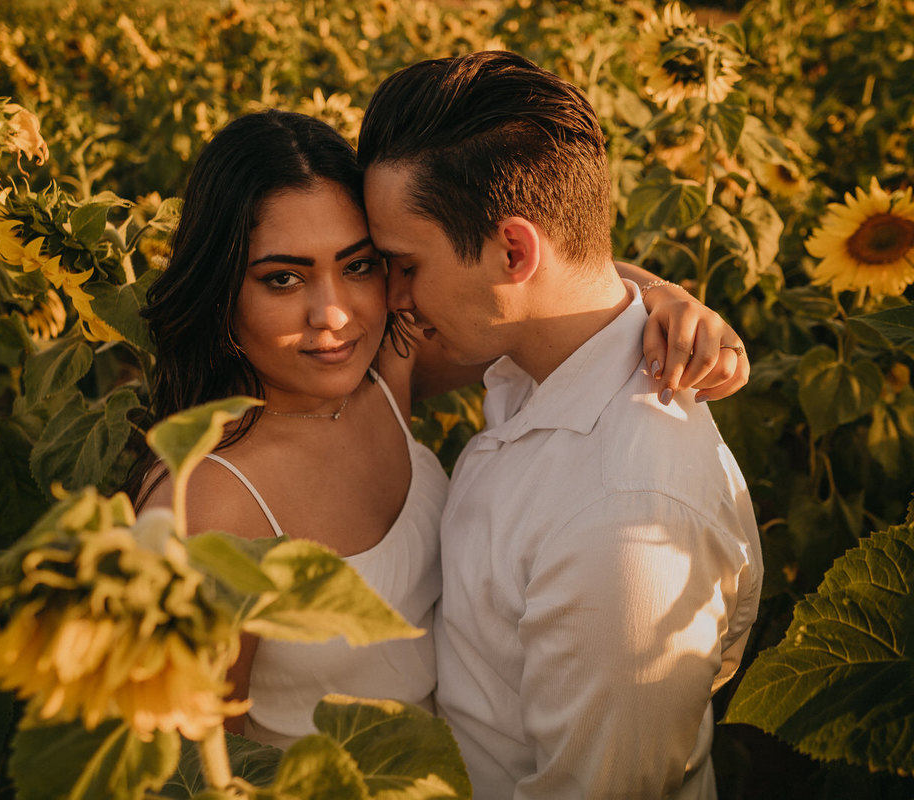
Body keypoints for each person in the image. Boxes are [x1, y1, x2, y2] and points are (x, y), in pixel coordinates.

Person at [127, 109, 750, 750]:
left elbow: (545, 295)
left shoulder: (383, 372)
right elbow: (188, 766)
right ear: (220, 286)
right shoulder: (207, 505)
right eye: (283, 278)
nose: (334, 315)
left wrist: (664, 296)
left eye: (361, 266)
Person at [358, 51, 764, 798]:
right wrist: (656, 288)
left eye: (404, 264)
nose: (391, 296)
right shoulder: (533, 352)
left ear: (514, 250)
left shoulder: (621, 521)